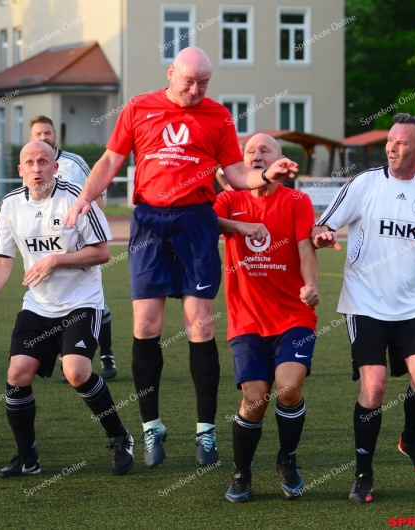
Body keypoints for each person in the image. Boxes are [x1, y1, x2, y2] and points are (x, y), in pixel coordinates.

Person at [65, 46, 298, 469]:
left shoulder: (219, 116)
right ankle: (151, 426)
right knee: (146, 323)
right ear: (171, 73)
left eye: (203, 83)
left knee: (200, 324)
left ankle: (205, 431)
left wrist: (266, 174)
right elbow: (111, 159)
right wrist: (84, 197)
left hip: (196, 223)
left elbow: (235, 174)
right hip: (149, 223)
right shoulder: (138, 108)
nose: (195, 90)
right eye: (189, 81)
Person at [0, 141, 134, 477]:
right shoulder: (11, 204)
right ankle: (27, 458)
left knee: (76, 372)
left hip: (81, 301)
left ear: (55, 167)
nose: (37, 168)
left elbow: (102, 252)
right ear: (20, 170)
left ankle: (120, 437)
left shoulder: (77, 198)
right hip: (39, 305)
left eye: (43, 161)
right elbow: (2, 261)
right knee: (17, 374)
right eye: (30, 162)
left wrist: (56, 260)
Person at [312, 113, 415, 503]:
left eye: (402, 142)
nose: (392, 147)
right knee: (374, 387)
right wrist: (323, 236)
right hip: (365, 302)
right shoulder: (364, 183)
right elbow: (323, 225)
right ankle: (363, 473)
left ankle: (410, 440)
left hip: (412, 304)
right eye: (390, 140)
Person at [214, 133, 319, 503]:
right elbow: (204, 222)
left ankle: (287, 460)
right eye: (250, 151)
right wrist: (241, 227)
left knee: (288, 390)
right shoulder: (230, 199)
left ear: (280, 159)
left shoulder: (296, 200)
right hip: (247, 320)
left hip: (294, 316)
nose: (256, 155)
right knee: (255, 398)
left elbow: (305, 246)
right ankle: (242, 472)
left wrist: (311, 284)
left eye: (265, 150)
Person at [29, 115, 117, 380]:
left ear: (55, 136)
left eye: (47, 133)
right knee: (57, 302)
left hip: (82, 244)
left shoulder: (74, 162)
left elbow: (97, 195)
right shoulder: (31, 165)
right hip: (49, 246)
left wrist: (94, 233)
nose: (43, 137)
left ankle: (106, 355)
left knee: (96, 301)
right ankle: (67, 356)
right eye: (38, 134)